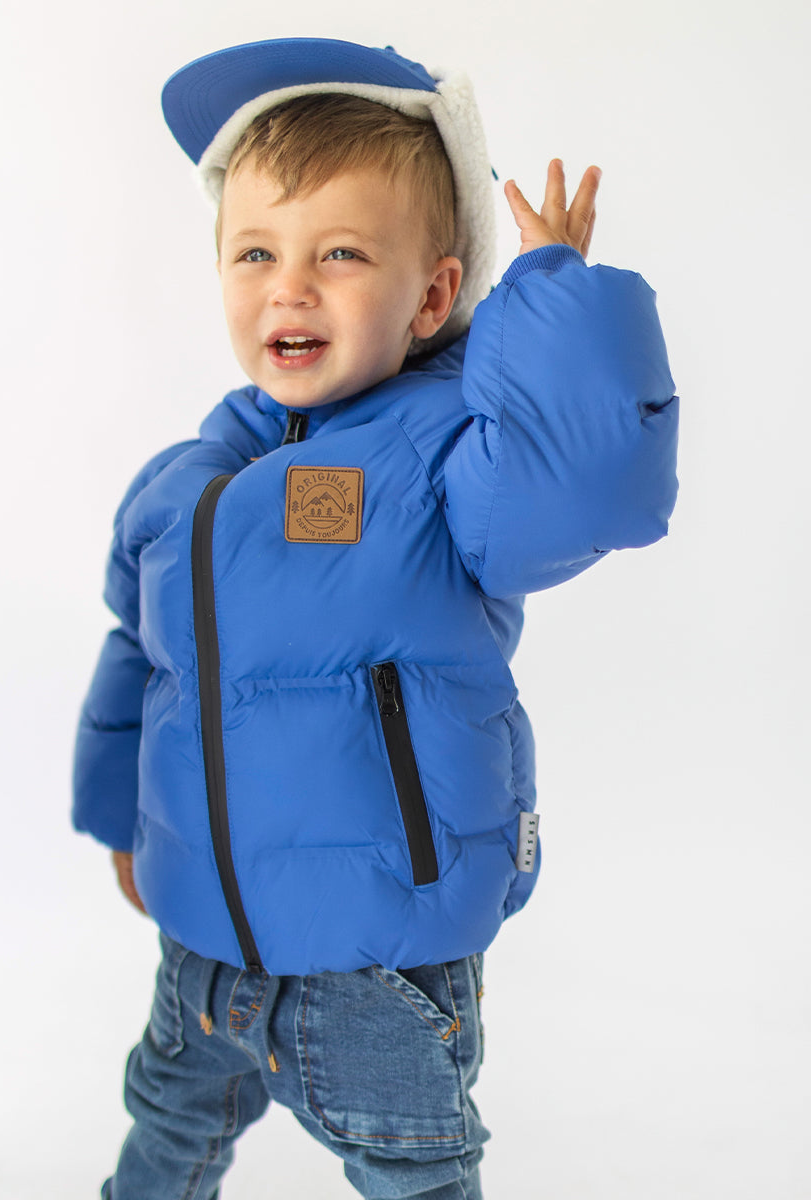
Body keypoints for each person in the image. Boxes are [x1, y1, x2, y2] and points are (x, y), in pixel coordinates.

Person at [73, 36, 679, 1200]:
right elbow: (133, 657)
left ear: (435, 296)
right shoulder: (181, 481)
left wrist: (552, 299)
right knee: (161, 1143)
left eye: (340, 253)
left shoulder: (455, 460)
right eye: (255, 251)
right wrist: (120, 819)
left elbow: (593, 483)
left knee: (416, 1180)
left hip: (379, 966)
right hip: (202, 942)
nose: (288, 287)